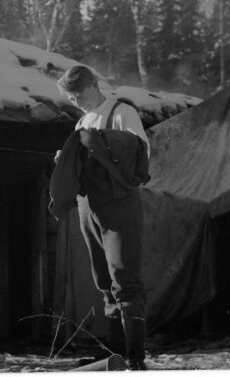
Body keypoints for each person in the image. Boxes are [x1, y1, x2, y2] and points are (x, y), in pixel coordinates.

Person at [54, 65, 150, 370]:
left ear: (94, 84)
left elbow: (140, 155)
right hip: (89, 207)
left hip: (119, 206)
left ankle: (135, 357)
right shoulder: (81, 121)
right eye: (70, 97)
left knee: (126, 280)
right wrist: (68, 160)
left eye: (78, 93)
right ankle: (114, 354)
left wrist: (97, 144)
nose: (75, 100)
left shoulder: (121, 112)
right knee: (104, 281)